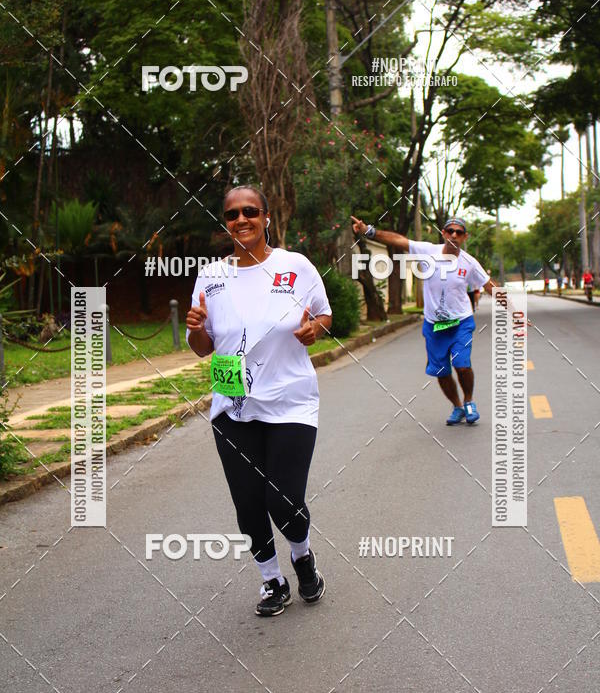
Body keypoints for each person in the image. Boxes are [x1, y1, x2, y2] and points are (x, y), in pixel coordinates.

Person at [186, 185, 332, 617]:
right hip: (232, 405)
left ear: (267, 217)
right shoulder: (211, 275)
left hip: (290, 401)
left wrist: (315, 330)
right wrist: (195, 327)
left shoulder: (295, 266)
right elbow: (202, 347)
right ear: (226, 223)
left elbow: (323, 313)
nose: (241, 219)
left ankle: (302, 556)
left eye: (250, 211)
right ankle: (272, 581)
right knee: (248, 504)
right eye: (232, 214)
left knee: (282, 499)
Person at [351, 214, 493, 425]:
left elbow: (491, 286)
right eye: (450, 231)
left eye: (459, 232)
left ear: (465, 237)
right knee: (441, 371)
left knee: (462, 365)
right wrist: (369, 231)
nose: (454, 235)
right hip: (434, 324)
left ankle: (469, 401)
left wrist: (515, 312)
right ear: (444, 234)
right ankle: (457, 406)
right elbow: (398, 240)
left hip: (461, 321)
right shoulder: (428, 251)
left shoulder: (469, 263)